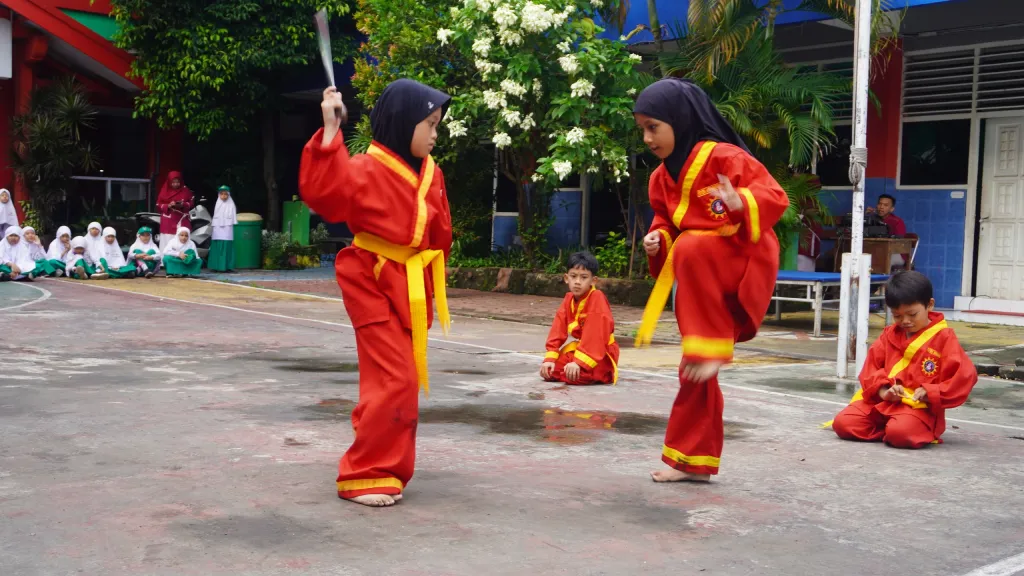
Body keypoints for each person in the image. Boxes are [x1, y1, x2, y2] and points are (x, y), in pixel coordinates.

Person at [299, 79, 453, 508]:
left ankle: (377, 442)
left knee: (393, 376)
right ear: (405, 122)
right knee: (398, 376)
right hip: (370, 278)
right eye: (430, 124)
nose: (435, 134)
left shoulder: (431, 172)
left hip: (412, 281)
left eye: (437, 124)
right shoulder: (365, 168)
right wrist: (331, 132)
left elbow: (440, 231)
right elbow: (325, 197)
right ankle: (365, 473)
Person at [633, 78, 789, 483]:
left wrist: (742, 203)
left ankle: (713, 345)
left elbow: (774, 195)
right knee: (693, 371)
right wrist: (657, 239)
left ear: (678, 120)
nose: (648, 138)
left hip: (742, 255)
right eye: (643, 130)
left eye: (654, 127)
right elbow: (666, 222)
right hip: (702, 274)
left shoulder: (724, 156)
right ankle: (692, 463)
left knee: (691, 248)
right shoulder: (659, 178)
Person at [829, 271, 977, 448]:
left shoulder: (944, 337)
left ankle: (898, 428)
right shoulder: (889, 334)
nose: (905, 321)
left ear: (929, 305)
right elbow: (871, 368)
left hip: (917, 407)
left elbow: (964, 376)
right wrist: (885, 392)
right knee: (843, 424)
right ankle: (892, 428)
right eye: (897, 316)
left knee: (901, 433)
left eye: (912, 314)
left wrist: (930, 392)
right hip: (884, 402)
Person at [540, 251, 620, 385]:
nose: (577, 282)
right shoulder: (568, 299)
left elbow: (596, 335)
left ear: (593, 281)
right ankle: (575, 367)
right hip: (581, 348)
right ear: (566, 278)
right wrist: (550, 358)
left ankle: (604, 373)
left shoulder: (597, 297)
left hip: (600, 352)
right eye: (573, 276)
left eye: (584, 277)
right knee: (550, 371)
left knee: (575, 375)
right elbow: (557, 329)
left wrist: (579, 363)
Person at [156, 171, 194, 251]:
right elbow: (158, 204)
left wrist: (182, 204)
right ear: (169, 182)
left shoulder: (185, 190)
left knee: (182, 239)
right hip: (168, 221)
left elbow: (191, 203)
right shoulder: (164, 190)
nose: (175, 184)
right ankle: (165, 261)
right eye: (173, 182)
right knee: (167, 240)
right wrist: (168, 205)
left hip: (181, 220)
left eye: (177, 182)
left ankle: (181, 259)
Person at [868, 193, 909, 268]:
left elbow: (899, 242)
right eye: (880, 204)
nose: (881, 207)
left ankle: (882, 279)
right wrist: (865, 217)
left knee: (878, 260)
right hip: (877, 252)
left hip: (896, 254)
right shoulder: (872, 219)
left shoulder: (897, 222)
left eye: (885, 205)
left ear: (892, 209)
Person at [208, 185, 237, 272]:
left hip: (227, 228)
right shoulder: (218, 204)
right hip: (218, 228)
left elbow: (232, 217)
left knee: (227, 245)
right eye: (222, 194)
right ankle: (216, 266)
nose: (223, 196)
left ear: (228, 195)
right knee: (217, 244)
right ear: (219, 195)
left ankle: (227, 266)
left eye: (225, 194)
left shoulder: (231, 205)